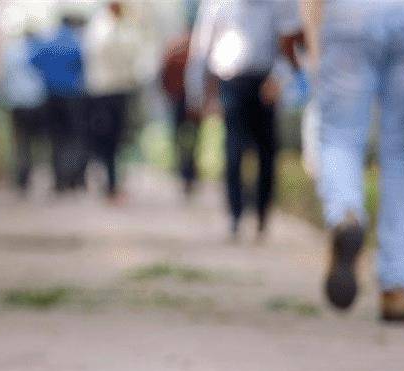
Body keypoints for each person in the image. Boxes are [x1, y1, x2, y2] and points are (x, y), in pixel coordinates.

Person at [304, 0, 404, 321]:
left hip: (349, 14)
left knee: (339, 135)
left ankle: (345, 215)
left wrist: (309, 39)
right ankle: (397, 287)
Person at [186, 0, 301, 240]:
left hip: (265, 81)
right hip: (232, 82)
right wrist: (197, 95)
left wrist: (279, 79)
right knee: (233, 149)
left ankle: (262, 214)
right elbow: (201, 49)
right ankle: (235, 215)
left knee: (267, 152)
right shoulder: (218, 5)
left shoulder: (277, 5)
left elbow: (289, 45)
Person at [83, 1, 157, 203]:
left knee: (118, 139)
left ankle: (113, 183)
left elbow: (136, 55)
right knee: (105, 139)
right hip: (103, 92)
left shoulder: (124, 27)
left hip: (121, 91)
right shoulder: (100, 27)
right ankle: (109, 183)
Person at [31, 14, 88, 193]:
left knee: (56, 138)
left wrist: (48, 75)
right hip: (71, 96)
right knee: (73, 137)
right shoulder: (74, 41)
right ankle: (73, 179)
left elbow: (33, 60)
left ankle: (59, 181)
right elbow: (82, 64)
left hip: (51, 95)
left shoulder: (47, 42)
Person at [0, 28, 48, 195]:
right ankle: (37, 171)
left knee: (21, 141)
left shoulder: (11, 52)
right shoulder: (40, 50)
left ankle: (23, 177)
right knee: (39, 141)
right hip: (36, 102)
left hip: (17, 103)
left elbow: (4, 78)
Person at [160, 19, 200, 197]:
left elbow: (163, 74)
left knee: (182, 138)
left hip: (180, 98)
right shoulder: (198, 47)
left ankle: (186, 171)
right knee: (193, 139)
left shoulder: (175, 48)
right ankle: (188, 171)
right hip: (188, 99)